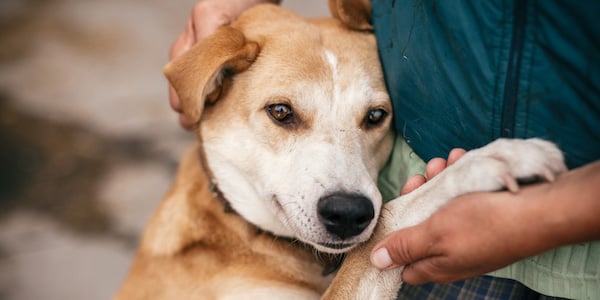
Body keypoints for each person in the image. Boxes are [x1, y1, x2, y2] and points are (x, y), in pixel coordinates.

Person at [167, 1, 600, 299]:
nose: (342, 188)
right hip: (443, 207)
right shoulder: (192, 265)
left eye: (372, 118)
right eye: (283, 113)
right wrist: (421, 206)